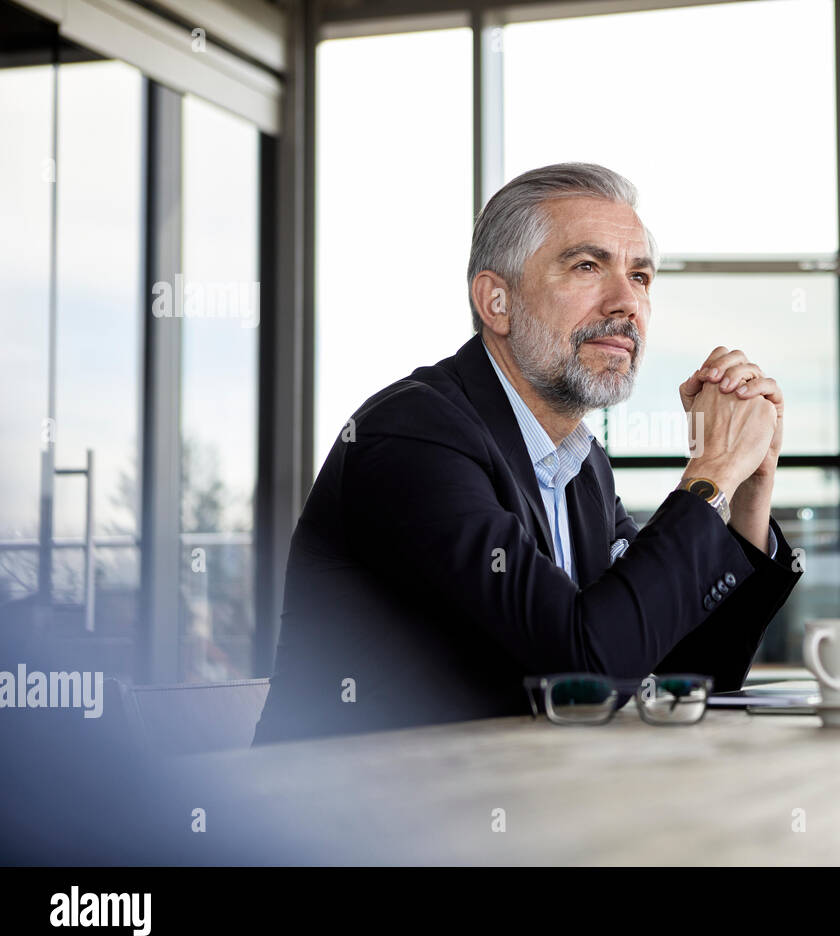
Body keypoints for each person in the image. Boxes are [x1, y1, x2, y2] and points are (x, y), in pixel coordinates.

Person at [253, 162, 803, 743]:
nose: (626, 302)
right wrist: (710, 470)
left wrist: (744, 498)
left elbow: (676, 674)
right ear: (497, 302)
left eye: (640, 277)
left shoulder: (582, 464)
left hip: (510, 805)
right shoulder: (411, 437)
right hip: (343, 817)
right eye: (588, 266)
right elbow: (581, 672)